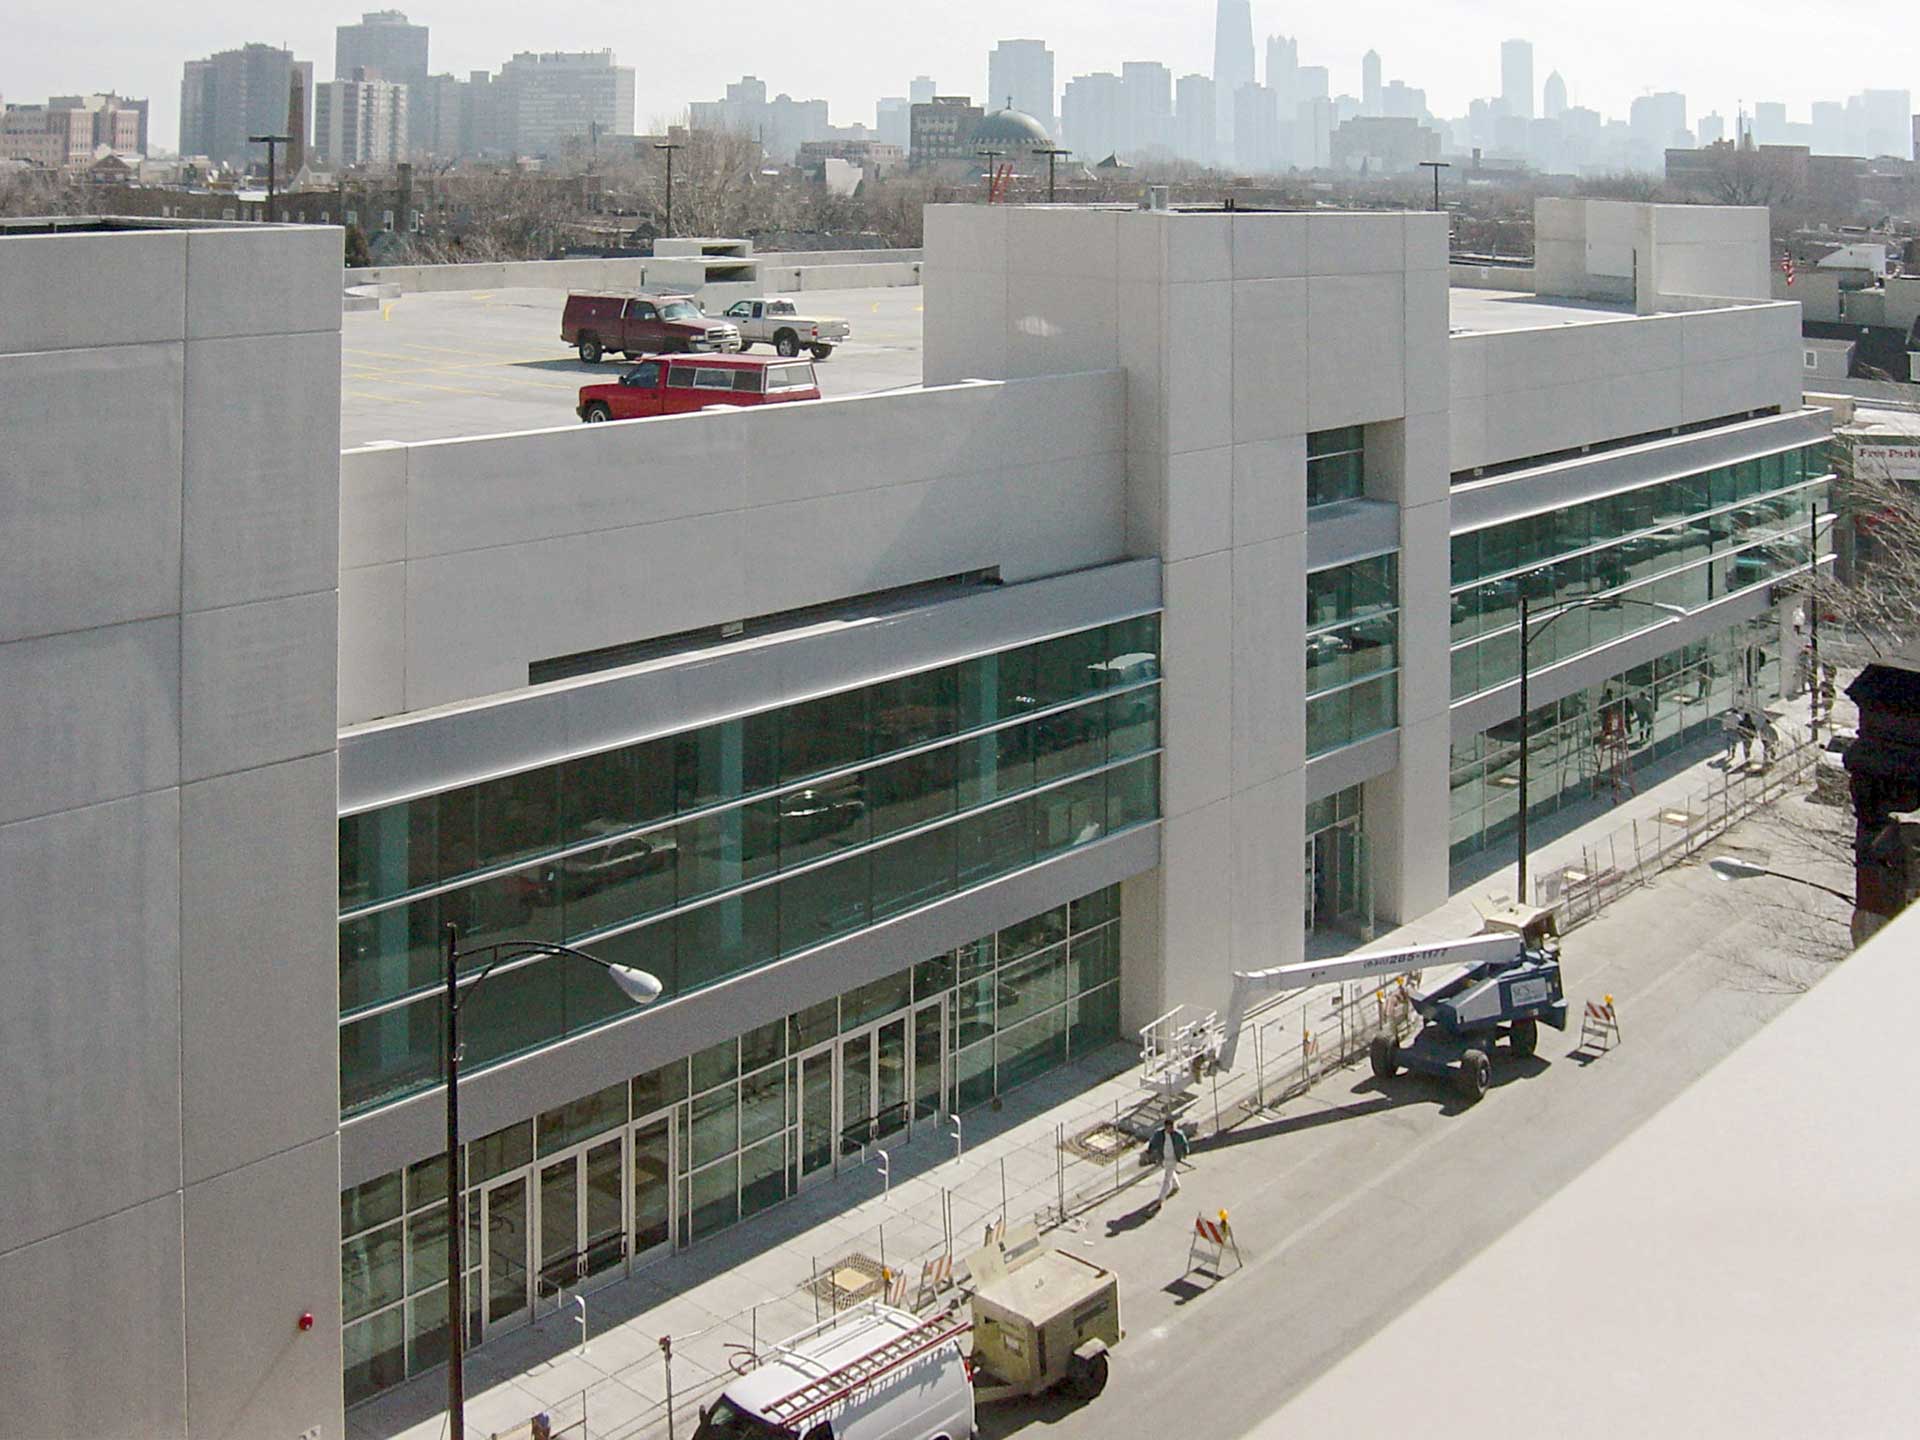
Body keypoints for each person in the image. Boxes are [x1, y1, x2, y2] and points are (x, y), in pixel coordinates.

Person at [1154, 1116, 1189, 1207]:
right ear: (1165, 1127)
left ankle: (1161, 1199)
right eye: (1169, 1127)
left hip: (1173, 1158)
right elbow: (1153, 1142)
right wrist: (1150, 1151)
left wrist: (1185, 1152)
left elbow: (1184, 1143)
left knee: (1167, 1179)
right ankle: (1176, 1185)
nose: (1171, 1129)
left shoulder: (1178, 1134)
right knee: (1170, 1172)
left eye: (1172, 1127)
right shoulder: (1159, 1134)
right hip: (1164, 1158)